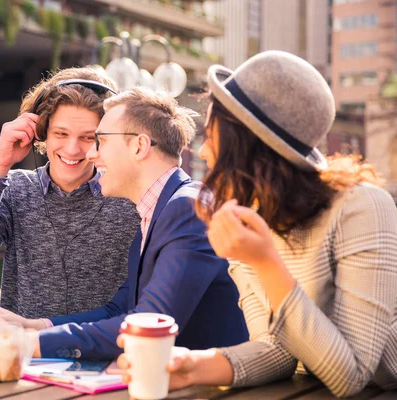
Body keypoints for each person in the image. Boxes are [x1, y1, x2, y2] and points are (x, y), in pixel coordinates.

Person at [117, 51, 397, 397]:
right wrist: (191, 366)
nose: (203, 152)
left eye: (212, 135)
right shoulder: (250, 216)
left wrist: (265, 262)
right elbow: (279, 349)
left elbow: (351, 375)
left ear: (244, 142)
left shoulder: (362, 207)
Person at [0, 87, 248, 359]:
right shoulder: (157, 211)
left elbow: (148, 325)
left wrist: (25, 342)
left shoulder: (186, 210)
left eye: (100, 141)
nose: (91, 154)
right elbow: (120, 309)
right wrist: (33, 326)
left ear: (139, 146)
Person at [0, 68, 139, 322]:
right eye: (61, 134)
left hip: (105, 357)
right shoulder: (15, 190)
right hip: (24, 358)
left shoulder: (130, 200)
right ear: (41, 132)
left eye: (88, 137)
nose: (73, 149)